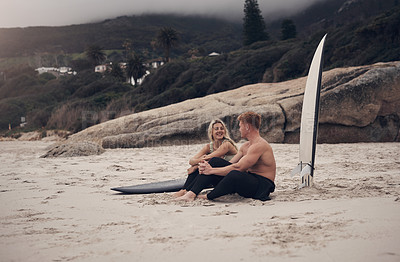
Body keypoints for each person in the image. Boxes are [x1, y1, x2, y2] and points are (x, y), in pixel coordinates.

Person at [177, 111, 276, 201]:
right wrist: (206, 166)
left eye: (240, 126)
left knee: (234, 173)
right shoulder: (245, 146)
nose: (239, 129)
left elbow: (238, 167)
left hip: (261, 186)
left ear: (247, 127)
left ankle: (208, 196)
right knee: (216, 161)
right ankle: (190, 193)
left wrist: (211, 170)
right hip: (248, 180)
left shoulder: (259, 145)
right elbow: (231, 163)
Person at [173, 119, 238, 197]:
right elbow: (191, 161)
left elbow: (211, 158)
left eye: (222, 128)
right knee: (199, 165)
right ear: (211, 132)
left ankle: (188, 191)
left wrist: (196, 165)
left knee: (211, 162)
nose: (219, 131)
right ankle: (184, 190)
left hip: (230, 177)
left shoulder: (227, 144)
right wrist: (195, 165)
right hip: (217, 176)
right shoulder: (209, 146)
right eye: (216, 129)